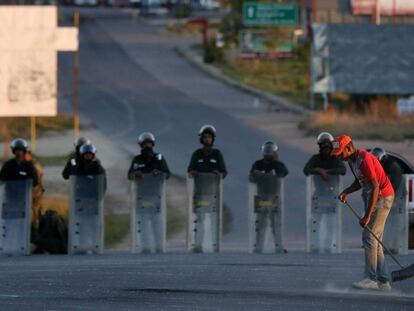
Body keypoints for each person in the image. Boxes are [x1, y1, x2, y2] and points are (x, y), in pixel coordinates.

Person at [332, 135, 394, 291]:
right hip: (375, 197)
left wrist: (367, 215)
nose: (339, 157)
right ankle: (383, 281)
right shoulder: (353, 161)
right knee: (375, 239)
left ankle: (371, 278)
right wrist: (347, 191)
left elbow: (375, 187)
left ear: (349, 148)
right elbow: (360, 181)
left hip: (382, 197)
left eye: (340, 153)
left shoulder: (364, 159)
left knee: (368, 237)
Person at [187, 125, 227, 253]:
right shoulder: (196, 154)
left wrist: (219, 174)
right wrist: (193, 172)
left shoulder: (217, 154)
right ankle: (198, 245)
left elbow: (224, 172)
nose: (207, 139)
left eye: (209, 137)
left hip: (213, 194)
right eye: (204, 137)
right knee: (199, 220)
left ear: (213, 139)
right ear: (201, 139)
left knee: (214, 220)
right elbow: (190, 170)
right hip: (199, 194)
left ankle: (214, 245)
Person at [249, 141, 288, 253]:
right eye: (266, 151)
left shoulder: (277, 164)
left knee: (275, 223)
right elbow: (251, 177)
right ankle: (258, 247)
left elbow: (284, 172)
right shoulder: (258, 164)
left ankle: (278, 246)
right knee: (260, 223)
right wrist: (255, 175)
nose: (268, 154)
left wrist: (276, 161)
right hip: (261, 197)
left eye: (271, 152)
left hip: (274, 197)